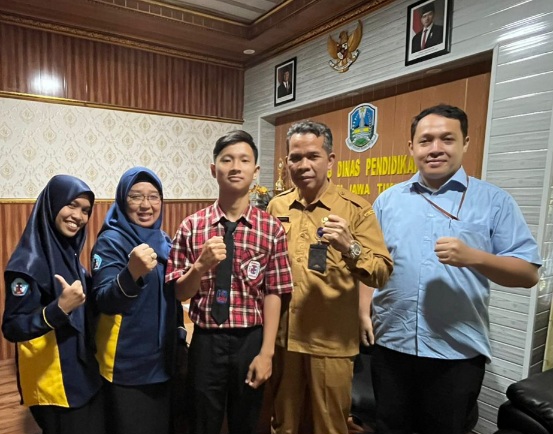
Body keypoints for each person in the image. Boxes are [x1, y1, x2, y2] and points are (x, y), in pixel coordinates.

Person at [369, 104, 542, 434]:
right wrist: (364, 311)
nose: (435, 148)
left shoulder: (494, 201)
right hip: (391, 346)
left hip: (456, 353)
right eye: (426, 140)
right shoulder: (387, 201)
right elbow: (373, 264)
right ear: (412, 147)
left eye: (447, 139)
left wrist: (475, 257)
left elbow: (528, 274)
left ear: (465, 143)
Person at [267, 120, 393, 434]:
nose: (303, 165)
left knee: (329, 427)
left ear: (330, 160)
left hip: (330, 342)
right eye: (296, 158)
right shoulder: (277, 206)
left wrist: (350, 247)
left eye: (313, 156)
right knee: (283, 425)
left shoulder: (355, 210)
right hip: (284, 340)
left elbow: (381, 273)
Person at [165, 130, 293, 434]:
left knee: (247, 423)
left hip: (251, 339)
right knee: (201, 423)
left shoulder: (271, 228)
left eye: (244, 160)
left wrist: (266, 353)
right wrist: (200, 266)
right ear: (214, 169)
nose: (235, 167)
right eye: (227, 160)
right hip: (206, 341)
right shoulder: (192, 226)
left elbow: (275, 292)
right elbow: (178, 292)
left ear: (255, 171)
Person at [2, 175, 104, 434]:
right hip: (55, 382)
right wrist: (58, 309)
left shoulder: (67, 253)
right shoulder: (26, 265)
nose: (78, 216)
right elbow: (13, 327)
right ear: (52, 204)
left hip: (82, 372)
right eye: (72, 205)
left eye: (85, 210)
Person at [90, 166, 183, 434]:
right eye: (136, 196)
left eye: (153, 197)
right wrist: (131, 274)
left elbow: (173, 294)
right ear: (122, 200)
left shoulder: (164, 240)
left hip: (163, 360)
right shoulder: (111, 241)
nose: (146, 205)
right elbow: (104, 300)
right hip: (127, 363)